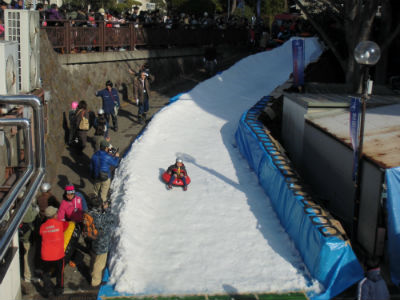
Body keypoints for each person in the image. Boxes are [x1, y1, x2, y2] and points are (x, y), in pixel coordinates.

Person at [40, 206, 68, 297]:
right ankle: (59, 290)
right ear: (55, 215)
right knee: (60, 273)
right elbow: (67, 225)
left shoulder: (43, 226)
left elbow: (40, 233)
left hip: (46, 255)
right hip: (58, 255)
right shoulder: (60, 224)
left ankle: (48, 291)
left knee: (46, 274)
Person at [89, 196, 116, 287]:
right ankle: (95, 282)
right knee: (99, 264)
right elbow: (112, 220)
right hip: (102, 243)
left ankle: (91, 273)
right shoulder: (101, 217)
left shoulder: (90, 213)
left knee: (94, 259)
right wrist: (107, 209)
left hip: (93, 240)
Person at [19, 203, 39, 283]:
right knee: (28, 257)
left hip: (29, 236)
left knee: (30, 256)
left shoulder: (23, 204)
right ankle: (28, 276)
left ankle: (32, 272)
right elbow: (28, 218)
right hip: (27, 238)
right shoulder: (24, 205)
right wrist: (35, 211)